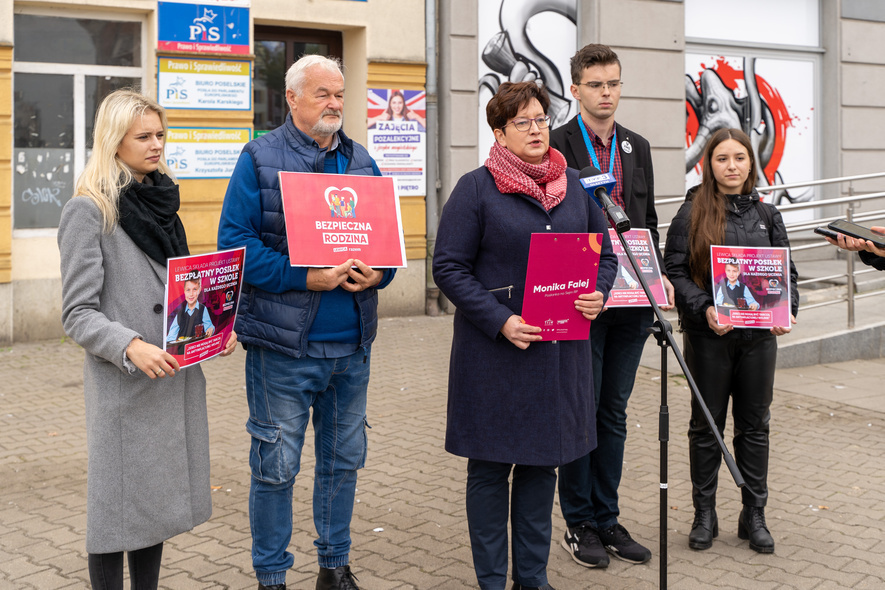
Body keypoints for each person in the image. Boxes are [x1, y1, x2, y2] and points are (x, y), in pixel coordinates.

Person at [217, 54, 396, 590]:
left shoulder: (361, 162)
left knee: (343, 465)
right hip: (284, 353)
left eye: (340, 94)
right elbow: (235, 250)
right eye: (322, 94)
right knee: (276, 469)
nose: (335, 104)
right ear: (291, 98)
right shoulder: (259, 159)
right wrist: (305, 276)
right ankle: (272, 576)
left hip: (352, 348)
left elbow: (386, 250)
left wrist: (378, 275)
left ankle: (334, 566)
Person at [433, 81, 618, 590]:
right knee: (491, 473)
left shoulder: (576, 186)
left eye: (541, 119)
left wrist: (597, 294)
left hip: (558, 357)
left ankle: (531, 579)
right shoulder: (477, 188)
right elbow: (448, 267)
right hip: (494, 355)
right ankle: (493, 581)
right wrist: (499, 319)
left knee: (542, 470)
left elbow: (604, 255)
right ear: (499, 132)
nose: (537, 129)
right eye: (523, 122)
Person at [57, 89, 238, 590]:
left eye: (160, 134)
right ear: (115, 142)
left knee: (152, 510)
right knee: (115, 517)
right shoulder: (88, 211)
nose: (156, 144)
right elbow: (76, 313)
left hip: (170, 378)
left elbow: (181, 292)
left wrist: (214, 326)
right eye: (144, 137)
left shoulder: (162, 204)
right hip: (124, 385)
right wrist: (129, 344)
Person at [549, 43, 674, 569]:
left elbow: (645, 216)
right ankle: (578, 521)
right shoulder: (553, 144)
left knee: (614, 412)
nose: (607, 93)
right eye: (596, 84)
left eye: (614, 83)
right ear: (575, 89)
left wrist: (659, 272)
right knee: (582, 408)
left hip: (632, 297)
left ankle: (607, 515)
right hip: (583, 296)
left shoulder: (637, 146)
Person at [663, 128, 799, 554]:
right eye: (722, 159)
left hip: (759, 340)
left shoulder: (768, 214)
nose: (732, 166)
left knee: (755, 428)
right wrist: (704, 307)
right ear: (709, 165)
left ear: (750, 163)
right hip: (709, 338)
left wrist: (789, 309)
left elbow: (788, 274)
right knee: (706, 428)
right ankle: (705, 514)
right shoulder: (692, 213)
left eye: (739, 158)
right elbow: (676, 271)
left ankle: (753, 514)